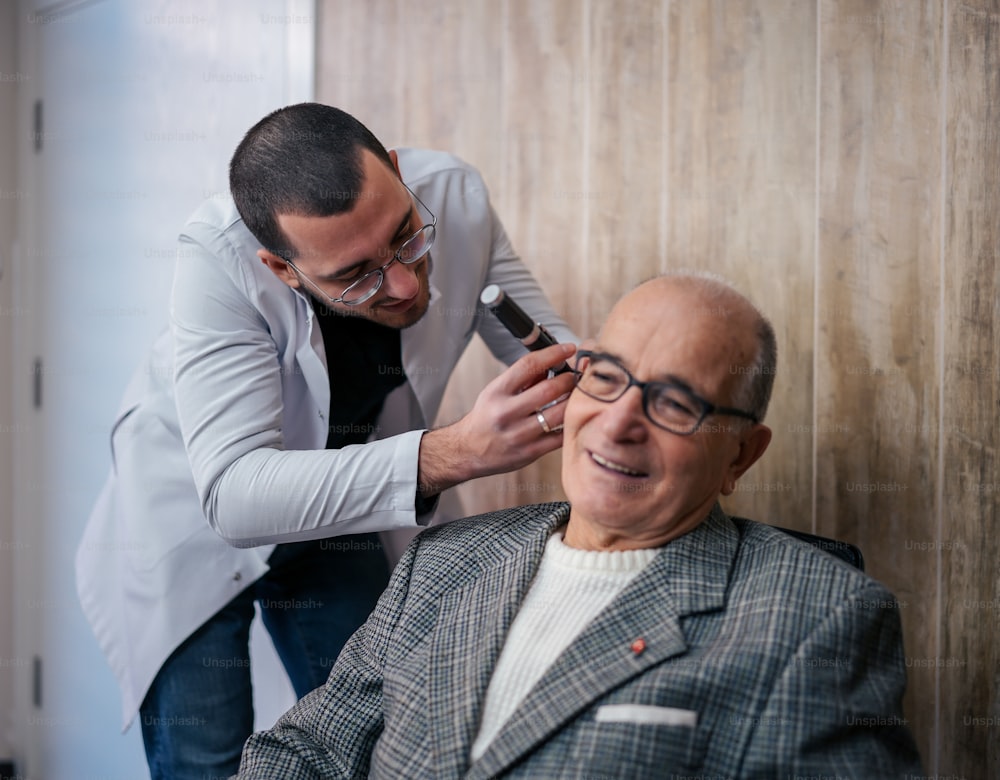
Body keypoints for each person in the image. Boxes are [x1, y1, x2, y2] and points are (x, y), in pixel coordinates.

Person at [236, 273, 923, 779]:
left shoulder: (818, 616)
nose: (619, 422)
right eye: (607, 377)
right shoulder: (443, 560)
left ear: (739, 454)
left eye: (676, 403)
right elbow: (309, 752)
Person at [75, 103, 578, 779]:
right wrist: (456, 452)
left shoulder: (453, 196)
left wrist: (617, 381)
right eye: (356, 274)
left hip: (335, 514)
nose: (404, 283)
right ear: (281, 270)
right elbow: (235, 497)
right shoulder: (216, 261)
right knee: (207, 761)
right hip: (188, 526)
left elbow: (548, 344)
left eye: (407, 237)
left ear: (397, 174)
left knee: (366, 739)